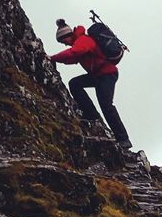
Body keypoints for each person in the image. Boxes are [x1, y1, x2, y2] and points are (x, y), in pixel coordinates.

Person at [49, 19, 131, 148]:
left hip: (107, 74)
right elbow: (73, 58)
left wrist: (52, 58)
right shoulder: (78, 42)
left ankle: (123, 139)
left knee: (106, 106)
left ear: (67, 36)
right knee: (75, 84)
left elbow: (75, 52)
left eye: (62, 41)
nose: (64, 44)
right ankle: (91, 115)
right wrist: (55, 60)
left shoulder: (82, 40)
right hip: (98, 75)